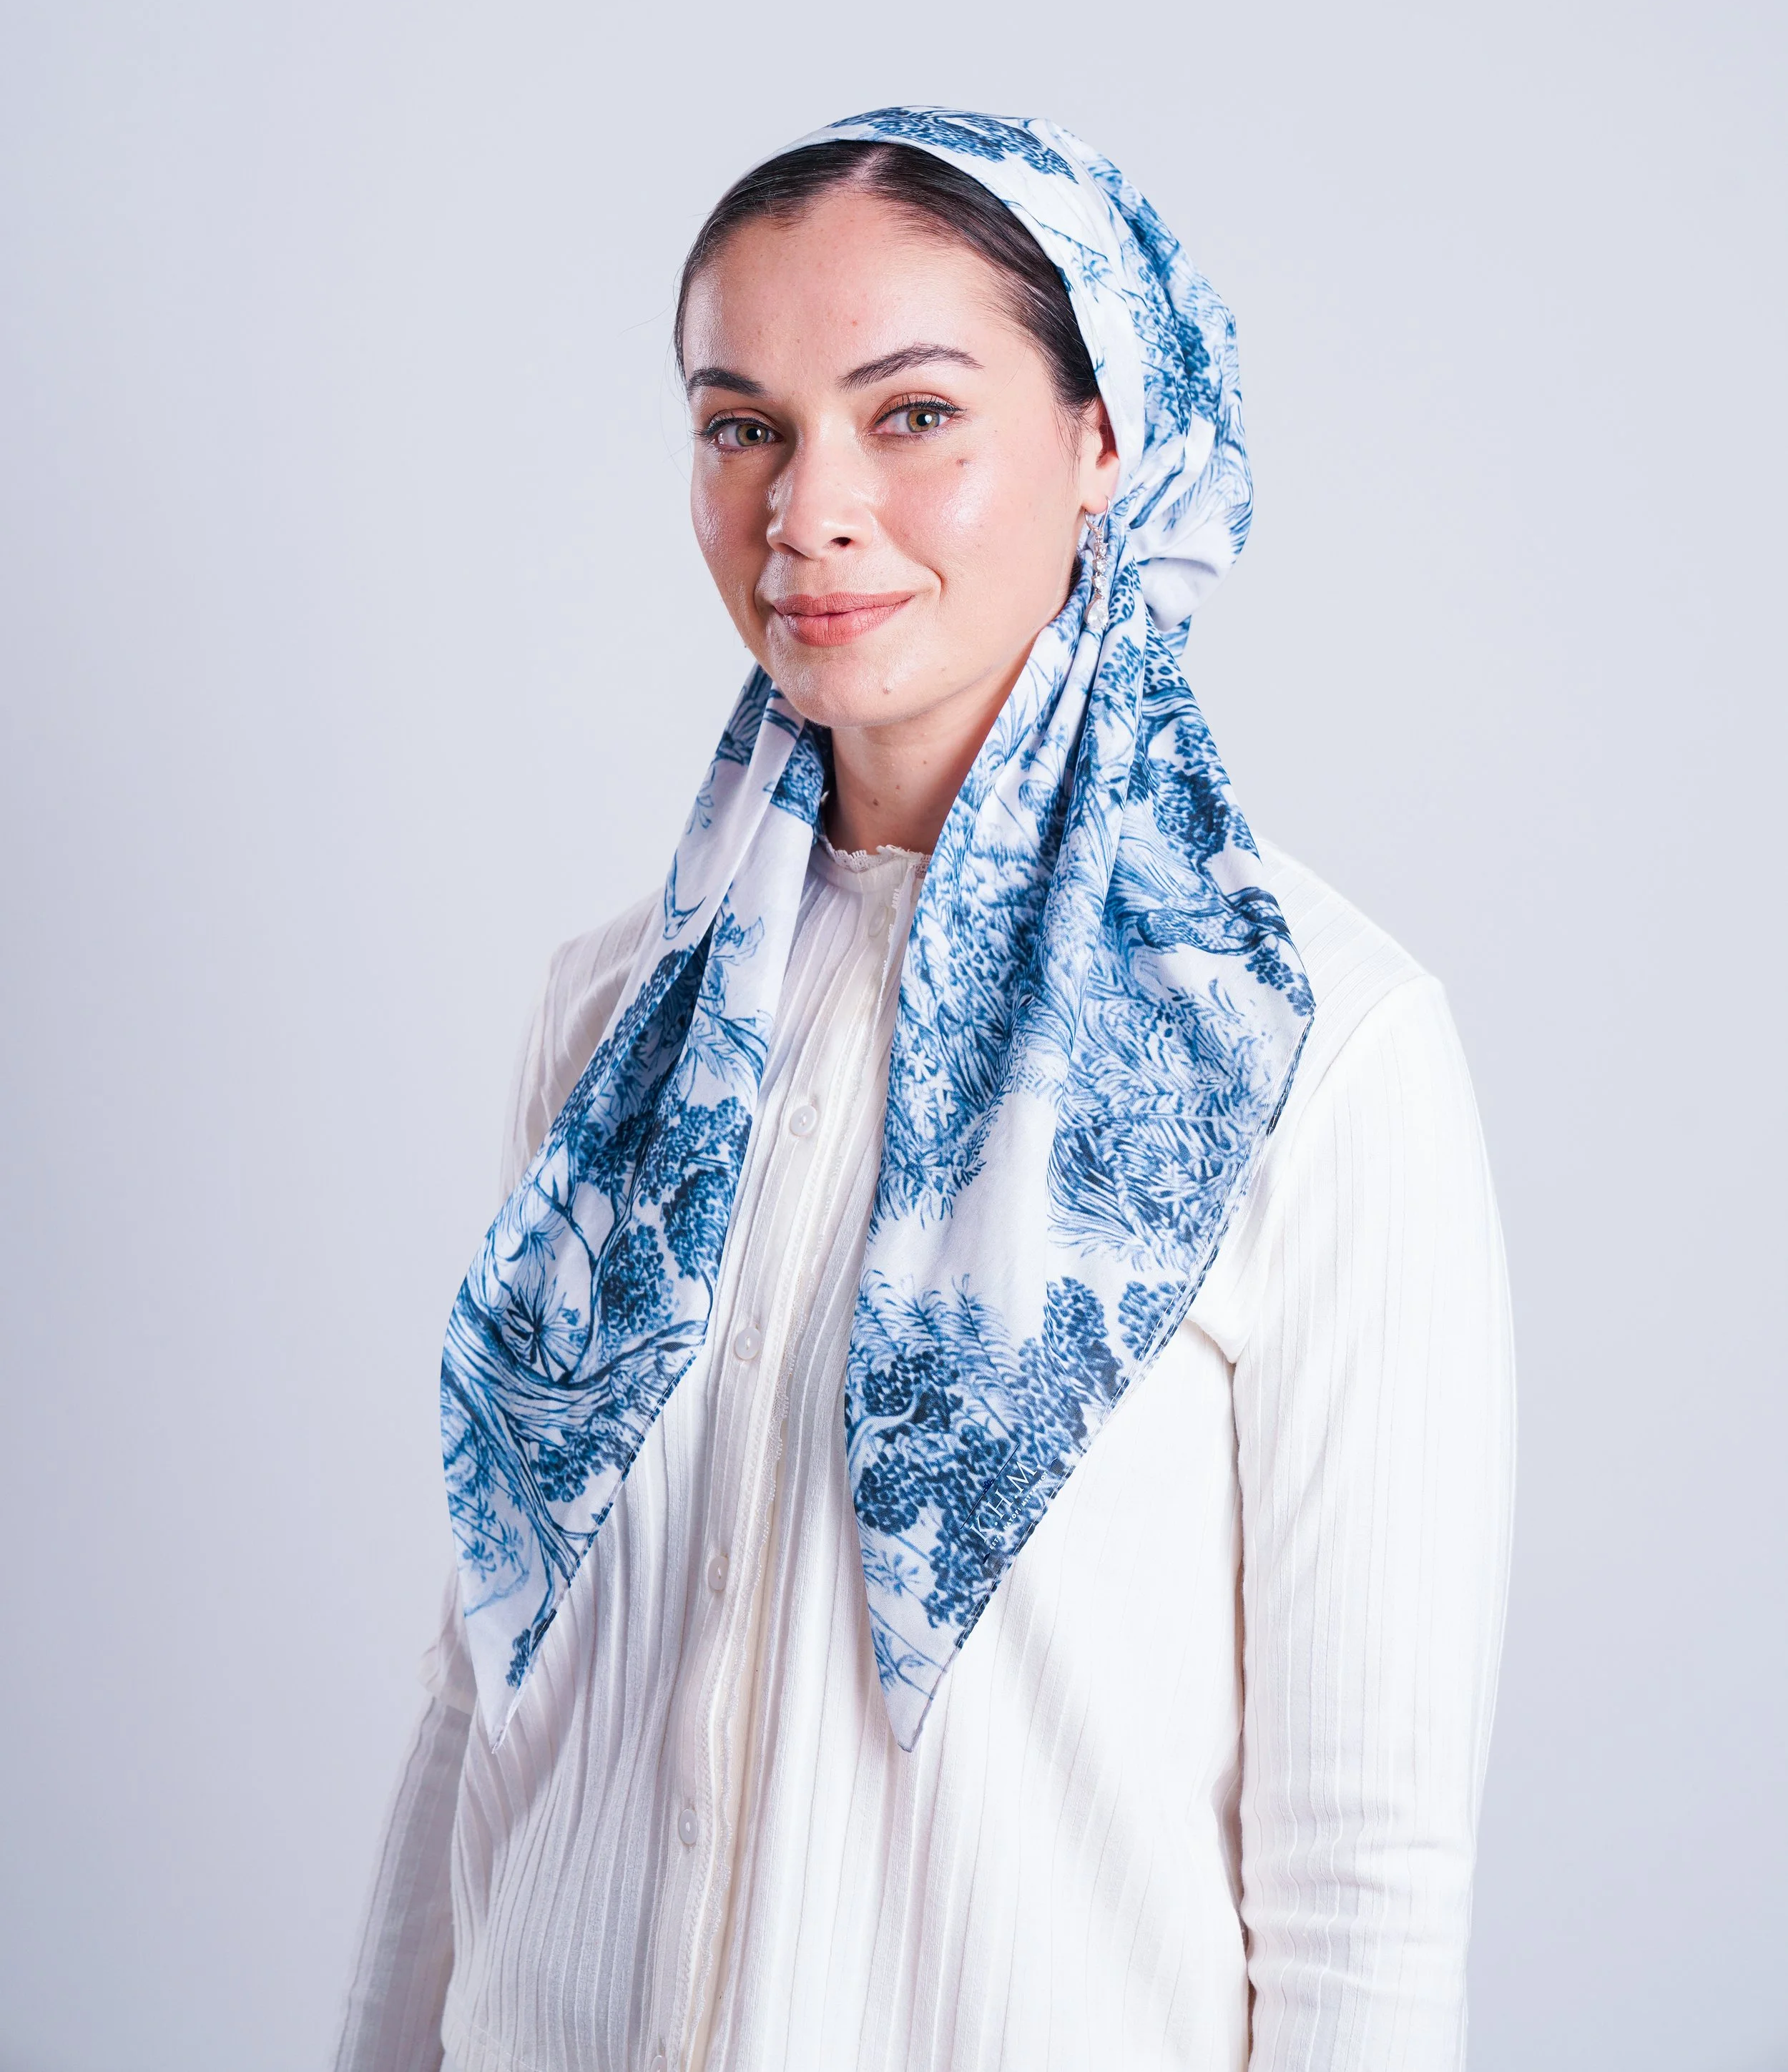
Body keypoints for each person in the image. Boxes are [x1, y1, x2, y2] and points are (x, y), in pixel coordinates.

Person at [333, 109, 1516, 2072]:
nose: (807, 506)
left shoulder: (1310, 1051)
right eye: (743, 424)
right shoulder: (618, 1016)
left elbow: (1365, 1878)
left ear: (1102, 443)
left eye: (910, 416)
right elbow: (486, 1683)